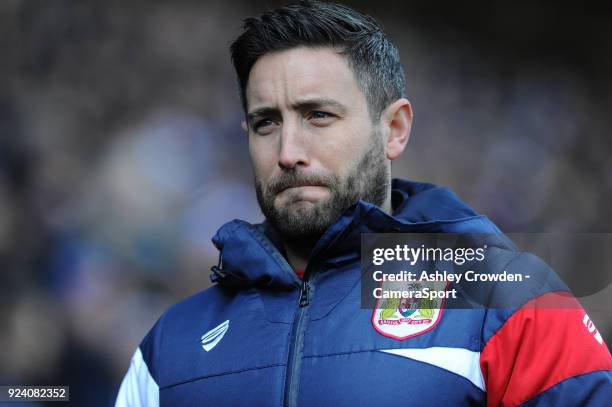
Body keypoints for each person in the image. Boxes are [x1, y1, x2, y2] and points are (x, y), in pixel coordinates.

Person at [115, 1, 612, 406]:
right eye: (267, 122)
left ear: (393, 129)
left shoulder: (509, 301)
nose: (288, 153)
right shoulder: (170, 349)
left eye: (319, 116)